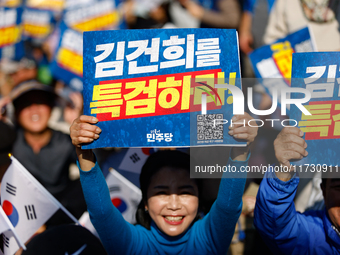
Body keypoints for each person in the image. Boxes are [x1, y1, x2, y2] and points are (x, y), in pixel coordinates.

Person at [70, 113, 258, 254]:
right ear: (145, 201)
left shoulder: (209, 238)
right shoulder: (131, 244)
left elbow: (228, 205)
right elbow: (101, 212)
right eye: (161, 193)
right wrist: (83, 149)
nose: (174, 205)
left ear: (200, 198)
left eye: (185, 192)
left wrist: (240, 150)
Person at [9, 80, 86, 224]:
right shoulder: (9, 142)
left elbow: (97, 167)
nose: (34, 110)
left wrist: (80, 130)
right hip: (18, 218)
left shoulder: (65, 141)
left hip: (62, 217)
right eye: (26, 104)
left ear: (51, 107)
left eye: (40, 102)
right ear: (16, 112)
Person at [254, 127, 340, 254]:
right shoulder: (312, 237)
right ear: (324, 192)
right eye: (338, 187)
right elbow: (277, 227)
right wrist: (283, 169)